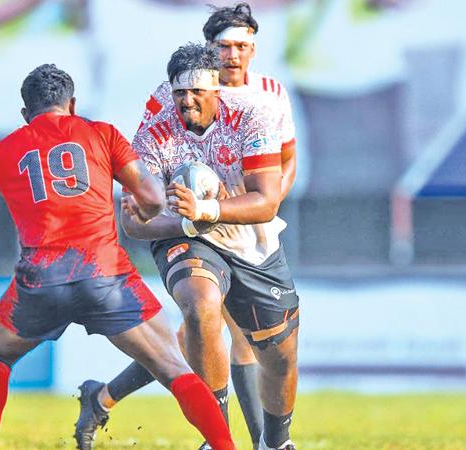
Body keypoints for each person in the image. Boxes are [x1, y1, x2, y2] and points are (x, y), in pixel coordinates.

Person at [0, 63, 235, 450]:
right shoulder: (101, 134)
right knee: (172, 366)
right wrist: (145, 214)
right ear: (73, 104)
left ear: (24, 114)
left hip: (40, 282)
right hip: (106, 276)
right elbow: (150, 198)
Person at [74, 41, 299, 450]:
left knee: (276, 352)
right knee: (200, 306)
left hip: (248, 235)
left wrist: (208, 208)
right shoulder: (155, 129)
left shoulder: (258, 108)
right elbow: (134, 221)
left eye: (197, 92)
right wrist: (183, 218)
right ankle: (218, 438)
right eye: (180, 92)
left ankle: (274, 441)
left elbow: (268, 198)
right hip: (185, 234)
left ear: (219, 86)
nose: (187, 101)